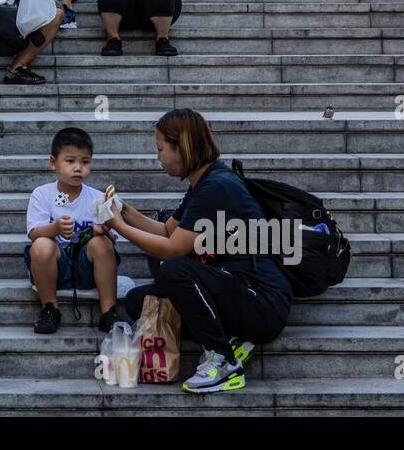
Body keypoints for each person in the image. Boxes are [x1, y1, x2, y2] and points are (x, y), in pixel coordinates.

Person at [104, 108, 293, 394]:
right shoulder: (204, 182)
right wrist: (125, 212)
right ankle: (233, 339)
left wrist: (118, 225)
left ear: (183, 147)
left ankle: (225, 362)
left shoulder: (217, 186)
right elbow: (167, 231)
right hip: (234, 290)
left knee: (173, 267)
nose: (158, 156)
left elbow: (172, 250)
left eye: (161, 148)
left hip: (261, 300)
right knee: (137, 302)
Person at [25, 127, 120, 334]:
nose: (78, 168)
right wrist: (55, 228)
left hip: (88, 268)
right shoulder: (42, 194)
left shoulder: (97, 197)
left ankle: (109, 312)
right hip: (56, 269)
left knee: (102, 243)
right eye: (70, 161)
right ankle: (50, 308)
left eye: (85, 162)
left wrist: (104, 230)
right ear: (53, 163)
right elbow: (33, 232)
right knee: (41, 244)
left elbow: (115, 238)